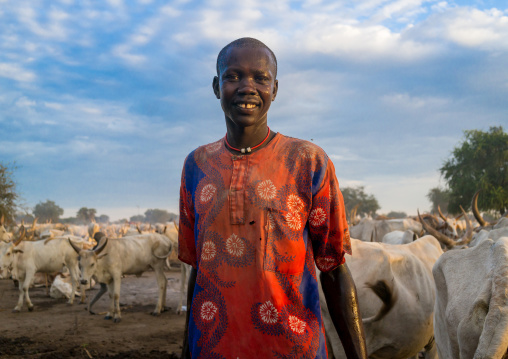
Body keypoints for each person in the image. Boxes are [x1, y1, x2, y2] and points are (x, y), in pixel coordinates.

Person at [178, 37, 367, 358]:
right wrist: (186, 350)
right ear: (216, 86)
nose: (247, 87)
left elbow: (334, 268)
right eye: (233, 76)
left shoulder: (308, 161)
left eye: (260, 78)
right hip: (213, 348)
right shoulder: (196, 165)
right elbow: (201, 269)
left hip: (293, 348)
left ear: (275, 89)